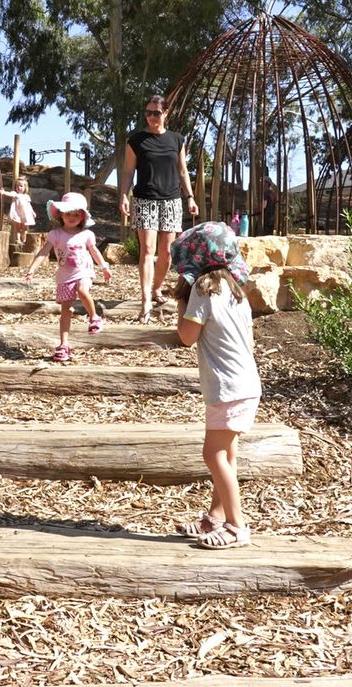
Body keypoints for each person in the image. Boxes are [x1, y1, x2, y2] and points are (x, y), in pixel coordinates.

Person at [170, 221, 260, 550]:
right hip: (245, 383)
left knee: (213, 455)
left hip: (227, 387)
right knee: (227, 454)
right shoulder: (235, 287)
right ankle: (216, 517)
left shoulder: (202, 289)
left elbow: (186, 337)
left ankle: (237, 527)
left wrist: (180, 305)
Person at [119, 95, 199, 323]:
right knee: (147, 250)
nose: (151, 116)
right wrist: (124, 195)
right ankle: (145, 301)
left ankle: (156, 288)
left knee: (166, 253)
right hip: (145, 199)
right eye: (148, 112)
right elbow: (128, 171)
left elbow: (183, 171)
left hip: (172, 200)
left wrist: (190, 197)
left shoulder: (177, 140)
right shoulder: (136, 140)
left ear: (166, 114)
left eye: (156, 112)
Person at [23, 191, 113, 363]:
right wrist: (32, 269)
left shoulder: (86, 234)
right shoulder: (56, 234)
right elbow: (43, 252)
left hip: (84, 272)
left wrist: (104, 267)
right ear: (61, 215)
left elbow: (94, 252)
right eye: (68, 213)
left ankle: (94, 317)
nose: (71, 217)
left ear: (82, 217)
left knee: (82, 290)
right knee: (66, 310)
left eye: (76, 214)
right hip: (65, 277)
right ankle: (64, 345)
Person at [0, 175, 36, 244]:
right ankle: (18, 240)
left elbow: (29, 205)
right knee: (17, 227)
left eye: (21, 186)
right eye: (17, 186)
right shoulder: (15, 194)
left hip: (25, 214)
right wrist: (4, 192)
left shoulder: (26, 196)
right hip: (17, 214)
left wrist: (33, 212)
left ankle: (24, 240)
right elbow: (10, 194)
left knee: (24, 228)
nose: (19, 187)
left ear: (25, 188)